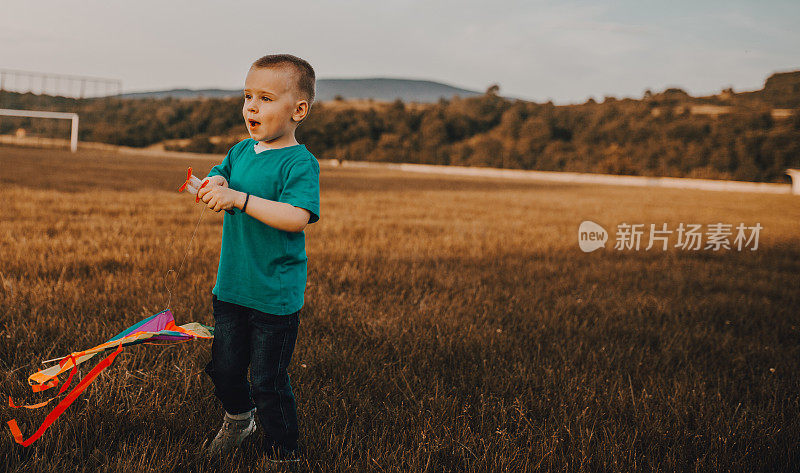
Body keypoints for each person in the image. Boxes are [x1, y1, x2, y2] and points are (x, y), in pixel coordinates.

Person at [196, 54, 320, 462]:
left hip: (274, 297)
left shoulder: (300, 163)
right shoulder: (241, 150)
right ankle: (238, 418)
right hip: (231, 287)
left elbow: (296, 217)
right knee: (226, 369)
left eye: (266, 98)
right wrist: (216, 181)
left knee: (268, 379)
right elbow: (221, 171)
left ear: (298, 110)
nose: (252, 106)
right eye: (248, 95)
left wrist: (240, 199)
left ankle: (283, 451)